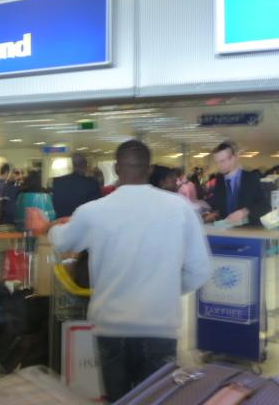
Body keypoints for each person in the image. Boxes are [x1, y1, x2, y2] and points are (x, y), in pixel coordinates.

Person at [45, 140, 211, 402]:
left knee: (118, 398)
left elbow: (62, 241)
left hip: (111, 328)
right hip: (160, 327)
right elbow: (200, 270)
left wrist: (48, 227)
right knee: (156, 399)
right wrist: (166, 288)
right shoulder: (180, 208)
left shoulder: (94, 211)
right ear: (150, 169)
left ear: (115, 168)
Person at [206, 142, 271, 225]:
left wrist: (245, 211)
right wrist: (213, 214)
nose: (219, 165)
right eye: (217, 162)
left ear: (234, 158)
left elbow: (265, 206)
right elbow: (219, 207)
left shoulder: (251, 178)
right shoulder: (219, 180)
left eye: (222, 161)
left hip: (248, 229)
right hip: (226, 229)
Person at [52, 154, 101, 218]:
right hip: (82, 221)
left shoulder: (57, 182)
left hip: (61, 221)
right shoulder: (91, 183)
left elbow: (55, 203)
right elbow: (96, 206)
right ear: (85, 165)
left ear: (71, 165)